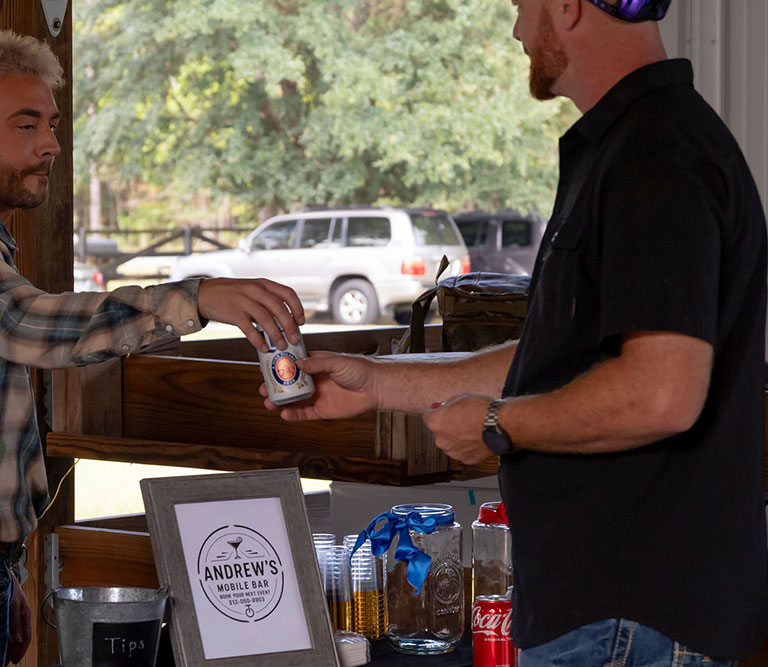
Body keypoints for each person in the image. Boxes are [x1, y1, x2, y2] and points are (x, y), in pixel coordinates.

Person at [268, 0, 768, 664]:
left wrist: (498, 425)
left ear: (565, 7)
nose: (516, 30)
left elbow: (659, 392)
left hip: (630, 618)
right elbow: (558, 363)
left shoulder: (657, 154)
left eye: (519, 6)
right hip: (609, 613)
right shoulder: (629, 146)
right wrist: (377, 384)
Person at [0, 30, 306, 667]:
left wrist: (1, 568)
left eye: (50, 124)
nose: (50, 144)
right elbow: (28, 324)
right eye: (26, 125)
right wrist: (194, 299)